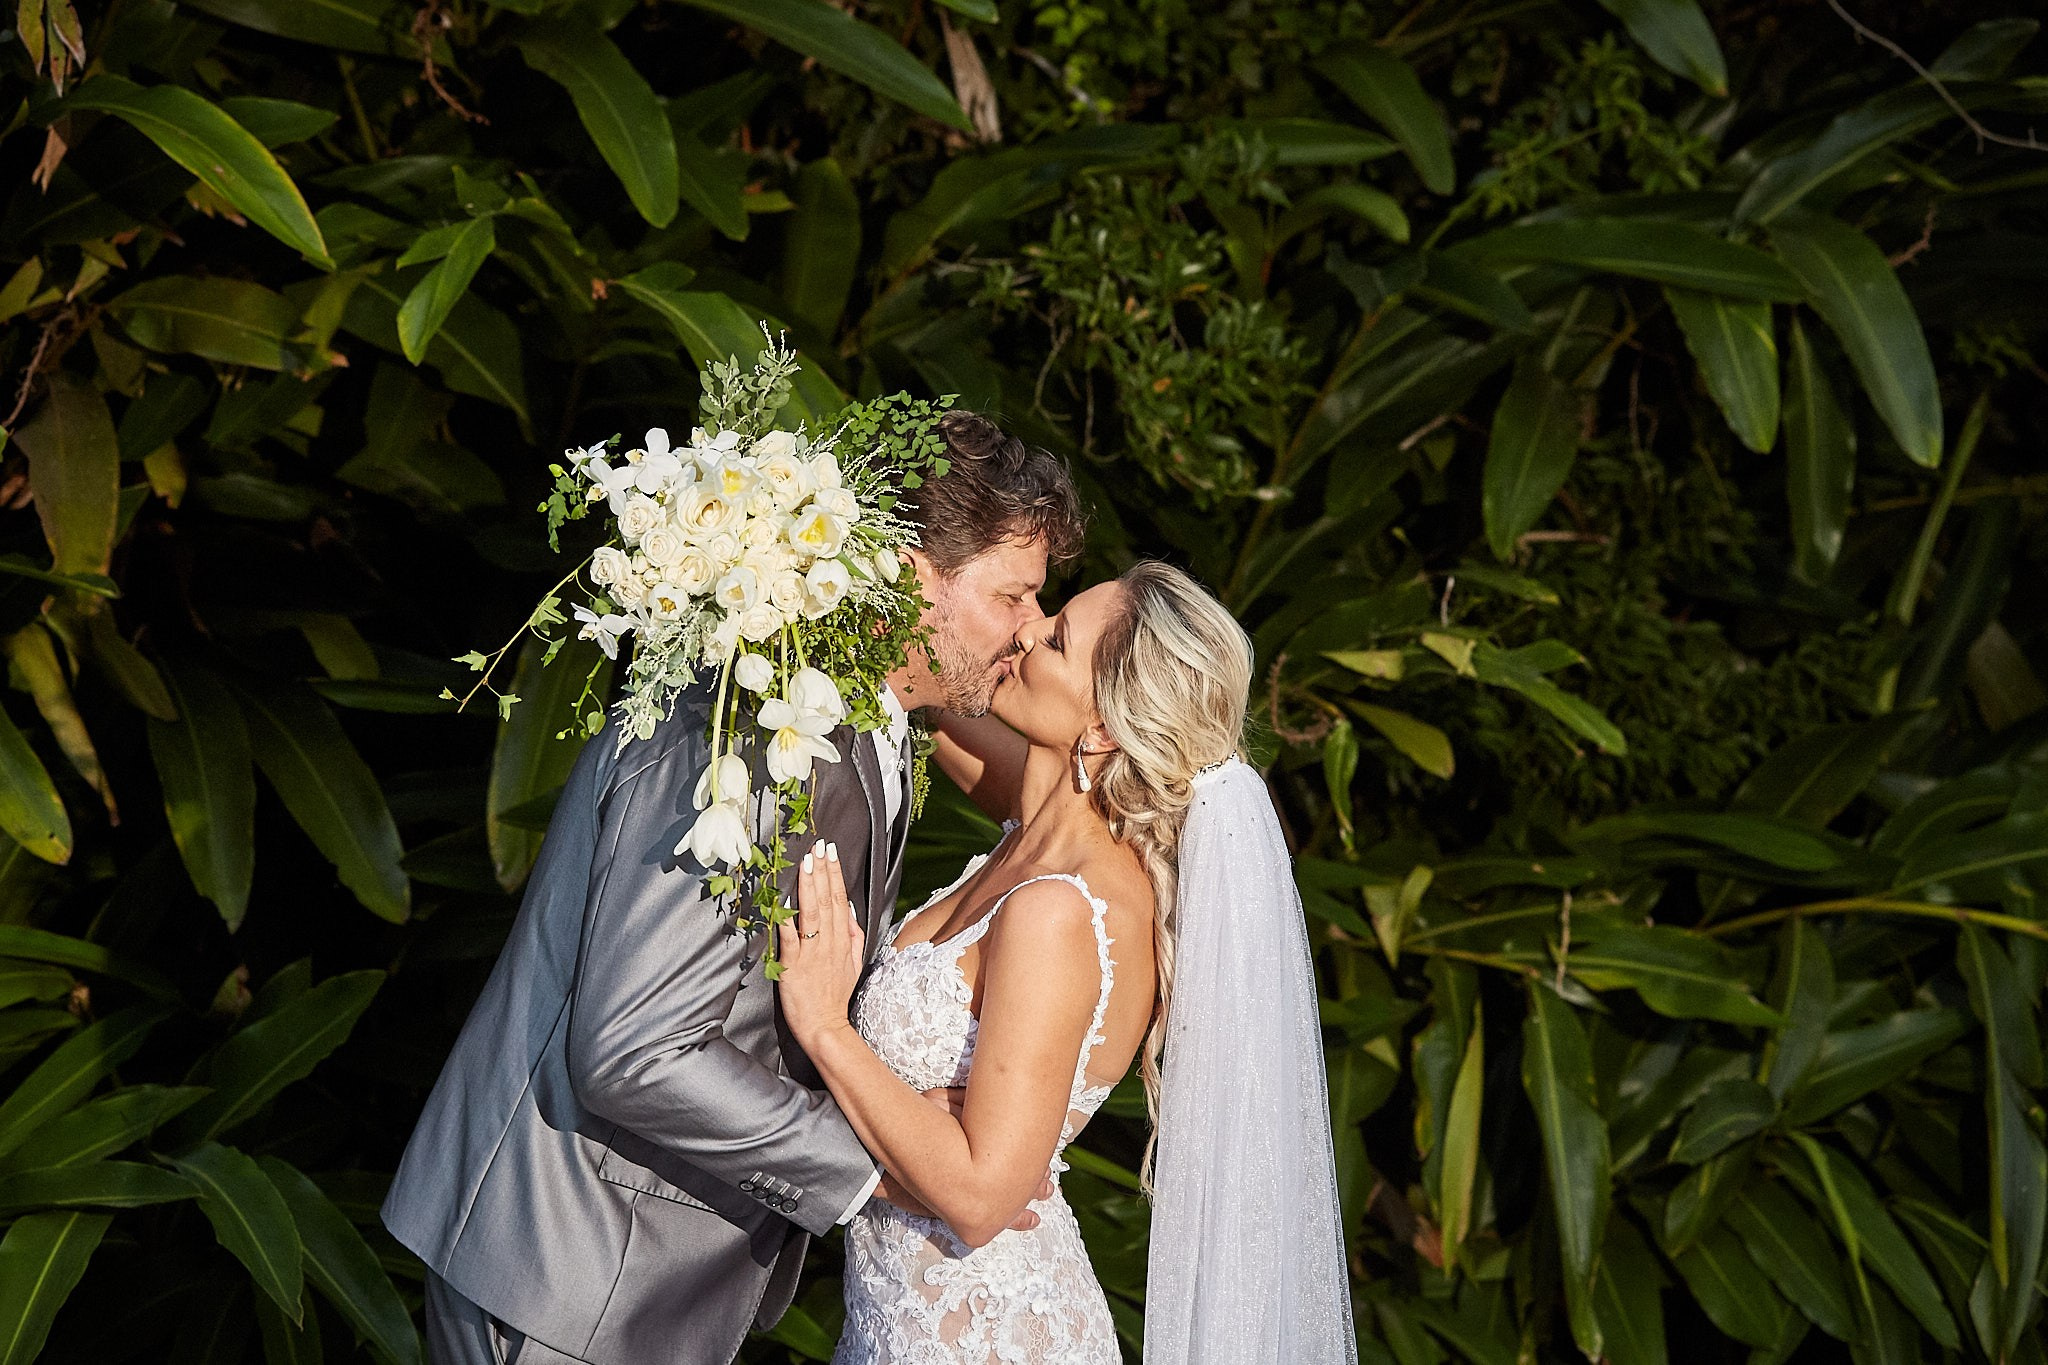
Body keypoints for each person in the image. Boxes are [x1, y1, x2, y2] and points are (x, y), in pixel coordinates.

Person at [381, 412, 1085, 1365]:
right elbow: (634, 1049)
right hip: (568, 1272)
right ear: (915, 577)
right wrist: (876, 1173)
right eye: (1014, 595)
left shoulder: (868, 721)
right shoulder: (751, 732)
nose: (1032, 628)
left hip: (633, 1290)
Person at [777, 561, 1357, 1365]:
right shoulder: (1038, 825)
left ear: (1105, 727)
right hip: (903, 1322)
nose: (1026, 628)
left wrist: (825, 1028)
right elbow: (925, 682)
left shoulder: (1064, 909)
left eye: (1055, 638)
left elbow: (981, 1196)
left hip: (984, 1337)